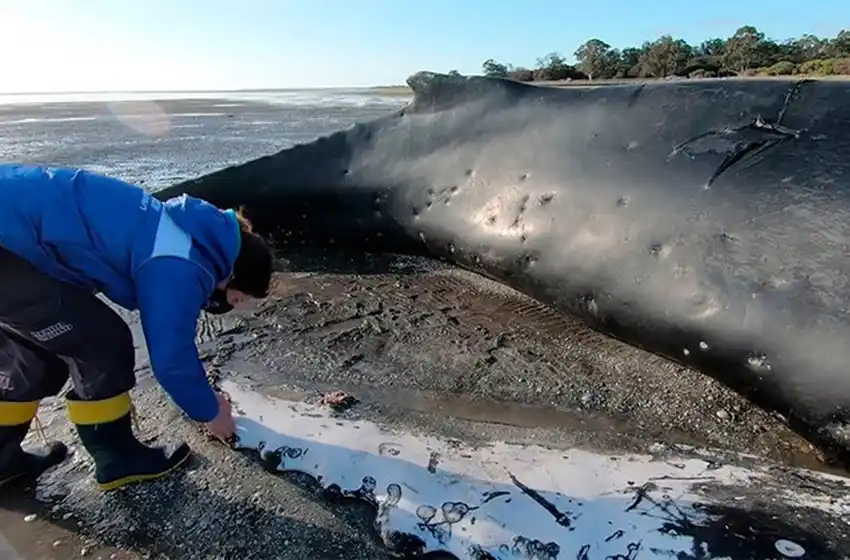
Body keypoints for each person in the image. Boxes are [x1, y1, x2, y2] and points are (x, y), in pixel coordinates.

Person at [0, 164, 274, 492]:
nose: (229, 307)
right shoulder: (180, 262)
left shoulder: (182, 228)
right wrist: (211, 412)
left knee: (37, 350)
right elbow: (172, 358)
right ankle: (118, 459)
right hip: (9, 243)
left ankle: (1, 458)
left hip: (13, 231)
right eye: (238, 298)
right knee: (100, 341)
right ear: (230, 275)